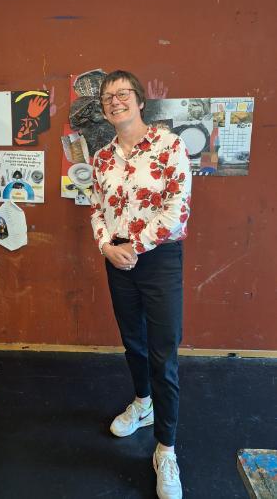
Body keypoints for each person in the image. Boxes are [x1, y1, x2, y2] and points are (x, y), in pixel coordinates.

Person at [90, 70, 192, 499]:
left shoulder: (170, 146)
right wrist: (105, 245)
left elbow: (177, 210)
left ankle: (166, 449)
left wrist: (134, 244)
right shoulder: (101, 158)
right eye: (108, 97)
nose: (115, 101)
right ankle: (142, 403)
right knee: (133, 342)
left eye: (122, 94)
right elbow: (96, 208)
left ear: (139, 100)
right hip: (118, 260)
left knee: (163, 353)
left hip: (159, 260)